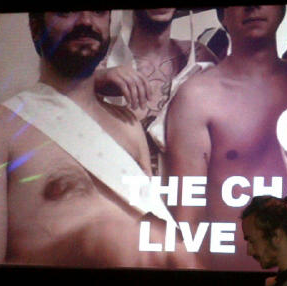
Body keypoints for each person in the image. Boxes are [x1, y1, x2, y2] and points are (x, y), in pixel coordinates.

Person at [0, 11, 195, 268]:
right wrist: (88, 243)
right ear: (35, 27)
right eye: (66, 11)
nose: (86, 21)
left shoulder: (129, 125)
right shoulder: (2, 127)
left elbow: (158, 230)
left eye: (99, 11)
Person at [163, 5, 287, 264]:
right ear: (223, 15)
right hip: (228, 273)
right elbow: (187, 224)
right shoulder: (197, 96)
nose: (252, 6)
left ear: (282, 9)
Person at [95, 8, 229, 174]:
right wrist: (95, 80)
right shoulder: (101, 57)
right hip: (118, 182)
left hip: (182, 185)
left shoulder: (200, 57)